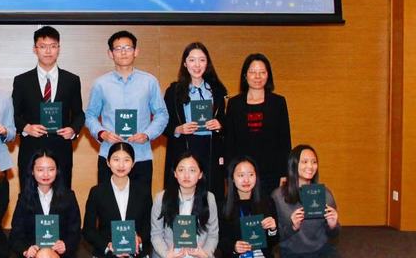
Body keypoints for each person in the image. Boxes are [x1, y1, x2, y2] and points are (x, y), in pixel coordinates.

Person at [271, 145, 353, 258]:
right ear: (294, 165)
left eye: (314, 162)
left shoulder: (324, 194)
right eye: (305, 162)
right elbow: (273, 237)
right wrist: (292, 227)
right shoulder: (278, 196)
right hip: (294, 257)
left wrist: (333, 225)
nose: (310, 166)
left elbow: (333, 235)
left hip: (321, 251)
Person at [85, 30, 169, 187]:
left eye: (128, 48)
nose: (123, 52)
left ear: (136, 51)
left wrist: (147, 134)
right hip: (110, 155)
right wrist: (102, 133)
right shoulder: (100, 84)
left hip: (140, 155)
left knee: (141, 201)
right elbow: (90, 115)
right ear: (110, 53)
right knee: (107, 201)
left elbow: (161, 114)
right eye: (118, 48)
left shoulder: (149, 81)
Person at [82, 143, 152, 258]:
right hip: (108, 256)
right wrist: (108, 246)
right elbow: (88, 230)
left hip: (134, 255)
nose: (121, 165)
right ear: (107, 162)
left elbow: (149, 226)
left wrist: (139, 239)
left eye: (126, 160)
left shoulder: (143, 191)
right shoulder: (97, 192)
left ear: (133, 164)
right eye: (116, 159)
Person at [12, 25, 85, 191]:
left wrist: (73, 130)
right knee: (29, 197)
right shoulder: (22, 81)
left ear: (59, 48)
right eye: (43, 46)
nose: (48, 51)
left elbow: (79, 114)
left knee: (62, 196)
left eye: (53, 46)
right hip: (31, 149)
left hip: (61, 149)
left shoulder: (72, 80)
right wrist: (26, 128)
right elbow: (13, 114)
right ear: (35, 49)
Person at [9, 150, 81, 258]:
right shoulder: (24, 198)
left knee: (46, 255)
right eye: (40, 169)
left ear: (58, 171)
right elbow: (15, 234)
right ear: (32, 172)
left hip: (58, 257)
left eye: (51, 169)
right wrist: (26, 249)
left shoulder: (68, 196)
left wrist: (66, 244)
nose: (46, 174)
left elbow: (75, 231)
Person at [150, 152, 219, 258]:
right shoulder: (162, 198)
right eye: (181, 170)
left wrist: (205, 252)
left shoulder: (209, 198)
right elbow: (156, 234)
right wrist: (167, 254)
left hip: (198, 255)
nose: (186, 175)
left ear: (200, 174)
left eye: (192, 170)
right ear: (175, 173)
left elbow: (213, 234)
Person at [163, 42, 228, 203]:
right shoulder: (173, 91)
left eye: (202, 60)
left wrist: (219, 126)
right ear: (185, 63)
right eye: (192, 60)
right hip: (185, 147)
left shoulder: (218, 91)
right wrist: (178, 129)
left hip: (210, 148)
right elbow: (163, 124)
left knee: (210, 195)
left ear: (207, 63)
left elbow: (228, 122)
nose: (197, 65)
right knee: (183, 196)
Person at [224, 53, 292, 200]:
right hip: (243, 175)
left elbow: (284, 141)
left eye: (262, 72)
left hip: (271, 173)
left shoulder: (278, 102)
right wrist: (229, 174)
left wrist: (285, 173)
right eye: (253, 72)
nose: (257, 76)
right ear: (245, 76)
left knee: (270, 209)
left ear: (268, 75)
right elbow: (229, 142)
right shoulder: (235, 104)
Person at [218, 156, 278, 258]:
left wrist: (273, 229)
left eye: (251, 174)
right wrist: (233, 246)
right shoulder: (223, 206)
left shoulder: (267, 202)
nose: (246, 180)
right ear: (232, 178)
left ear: (256, 177)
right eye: (240, 175)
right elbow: (219, 240)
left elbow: (273, 242)